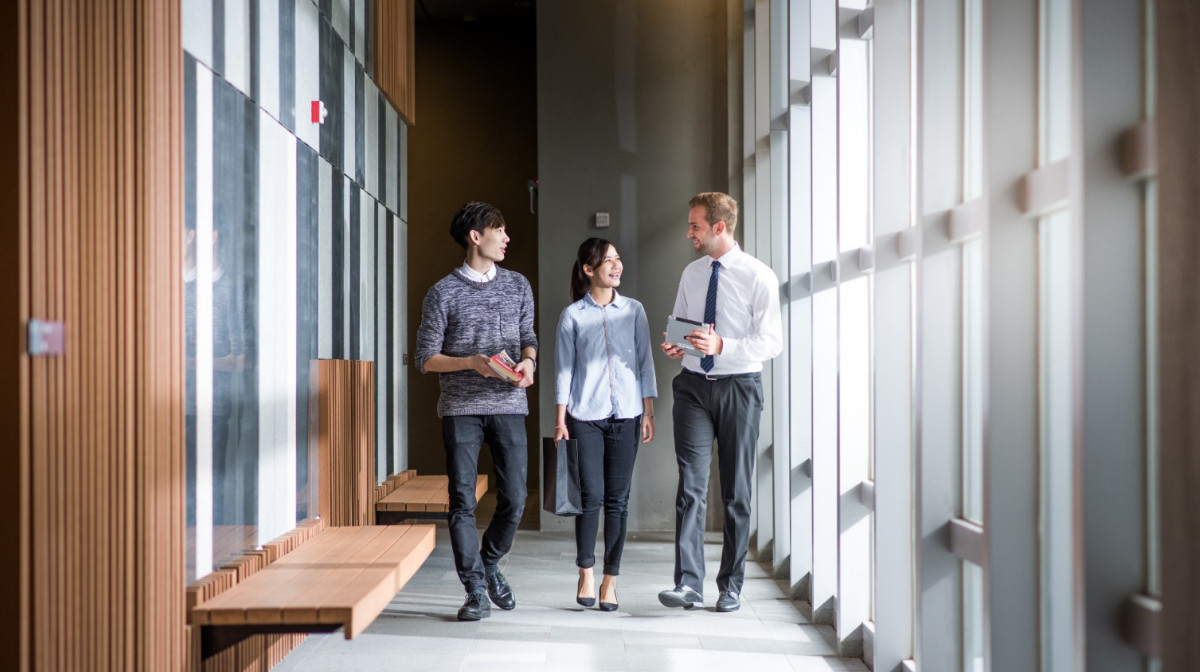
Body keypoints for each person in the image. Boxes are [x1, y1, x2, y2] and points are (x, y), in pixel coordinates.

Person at [657, 192, 782, 613]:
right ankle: (688, 584)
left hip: (739, 387)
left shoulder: (758, 276)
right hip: (693, 386)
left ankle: (731, 585)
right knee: (690, 487)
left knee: (735, 492)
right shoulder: (691, 273)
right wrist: (679, 345)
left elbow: (771, 342)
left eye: (695, 226)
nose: (688, 232)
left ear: (719, 227)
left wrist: (722, 344)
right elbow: (683, 326)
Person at [414, 201, 538, 622]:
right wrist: (471, 362)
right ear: (475, 236)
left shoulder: (519, 284)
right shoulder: (442, 293)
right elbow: (426, 358)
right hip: (460, 408)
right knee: (462, 501)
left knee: (516, 498)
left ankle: (488, 562)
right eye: (498, 230)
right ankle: (475, 590)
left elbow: (528, 336)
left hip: (509, 403)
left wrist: (529, 362)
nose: (506, 238)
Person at [554, 238, 657, 612]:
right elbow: (564, 369)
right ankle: (586, 571)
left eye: (618, 259)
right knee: (591, 498)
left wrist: (648, 411)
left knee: (618, 501)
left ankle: (610, 581)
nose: (616, 266)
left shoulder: (634, 311)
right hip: (586, 417)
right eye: (607, 260)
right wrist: (560, 420)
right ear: (588, 269)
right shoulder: (573, 316)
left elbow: (645, 362)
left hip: (627, 415)